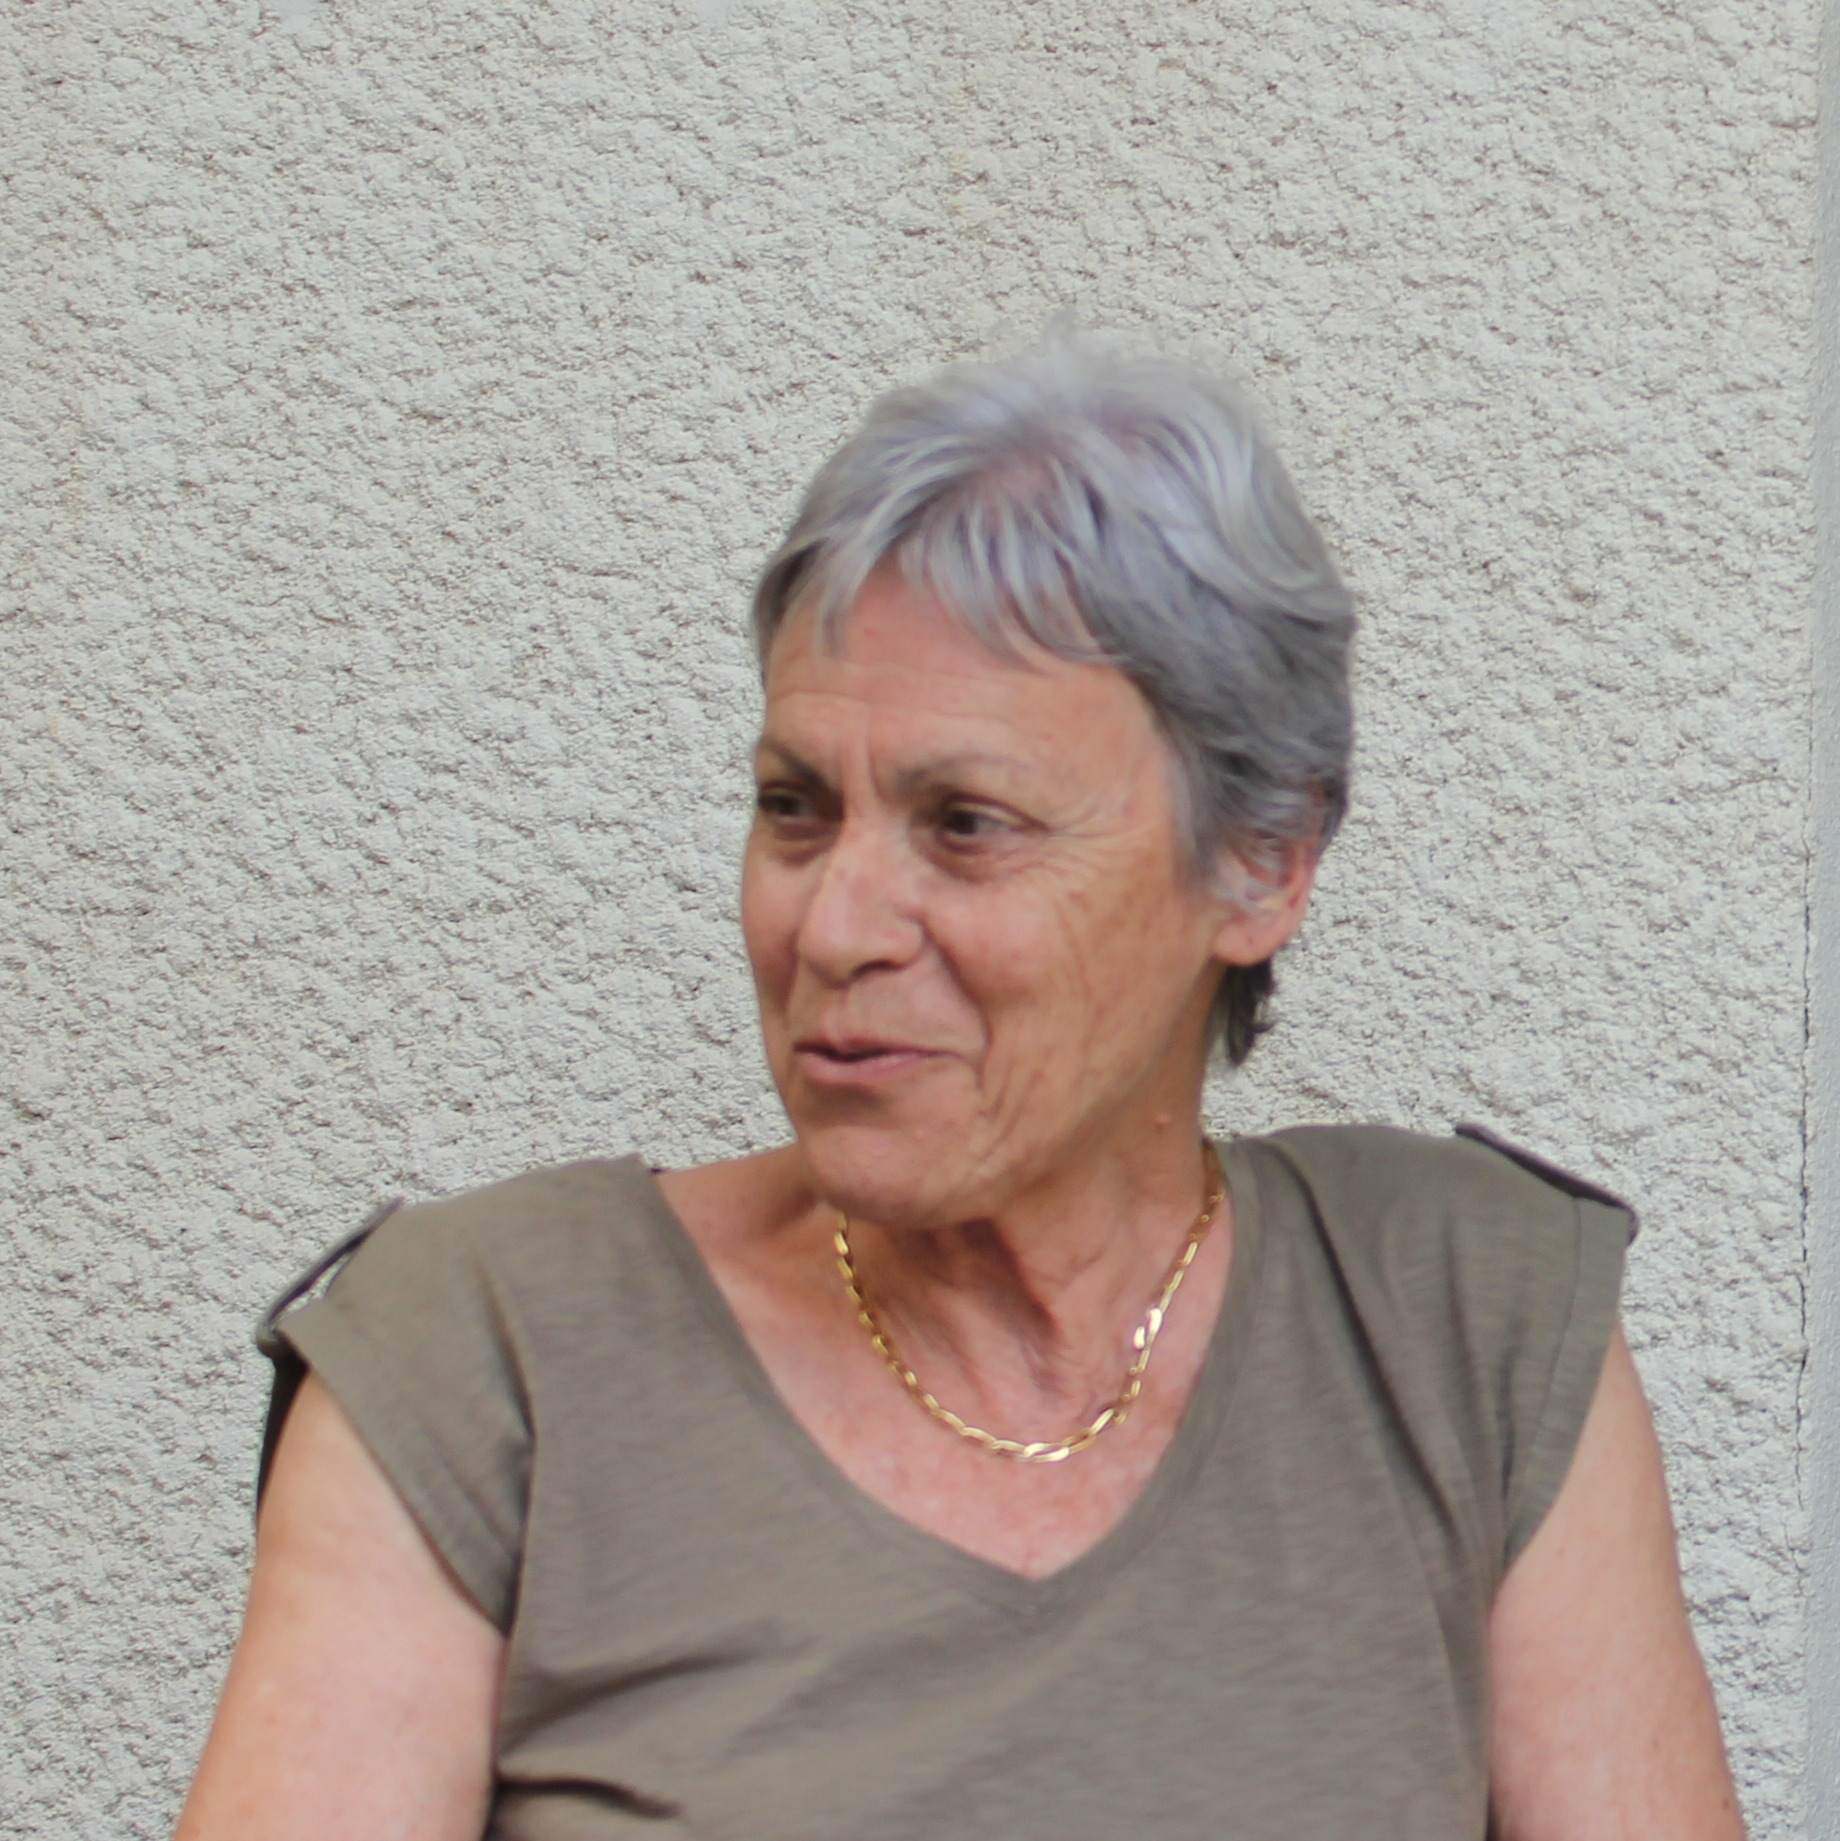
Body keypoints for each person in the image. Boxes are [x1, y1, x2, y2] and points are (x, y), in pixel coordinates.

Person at [176, 337, 1744, 1840]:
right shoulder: (489, 1359)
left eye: (966, 823)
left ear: (1260, 863)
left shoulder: (1462, 1326)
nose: (833, 927)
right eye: (795, 808)